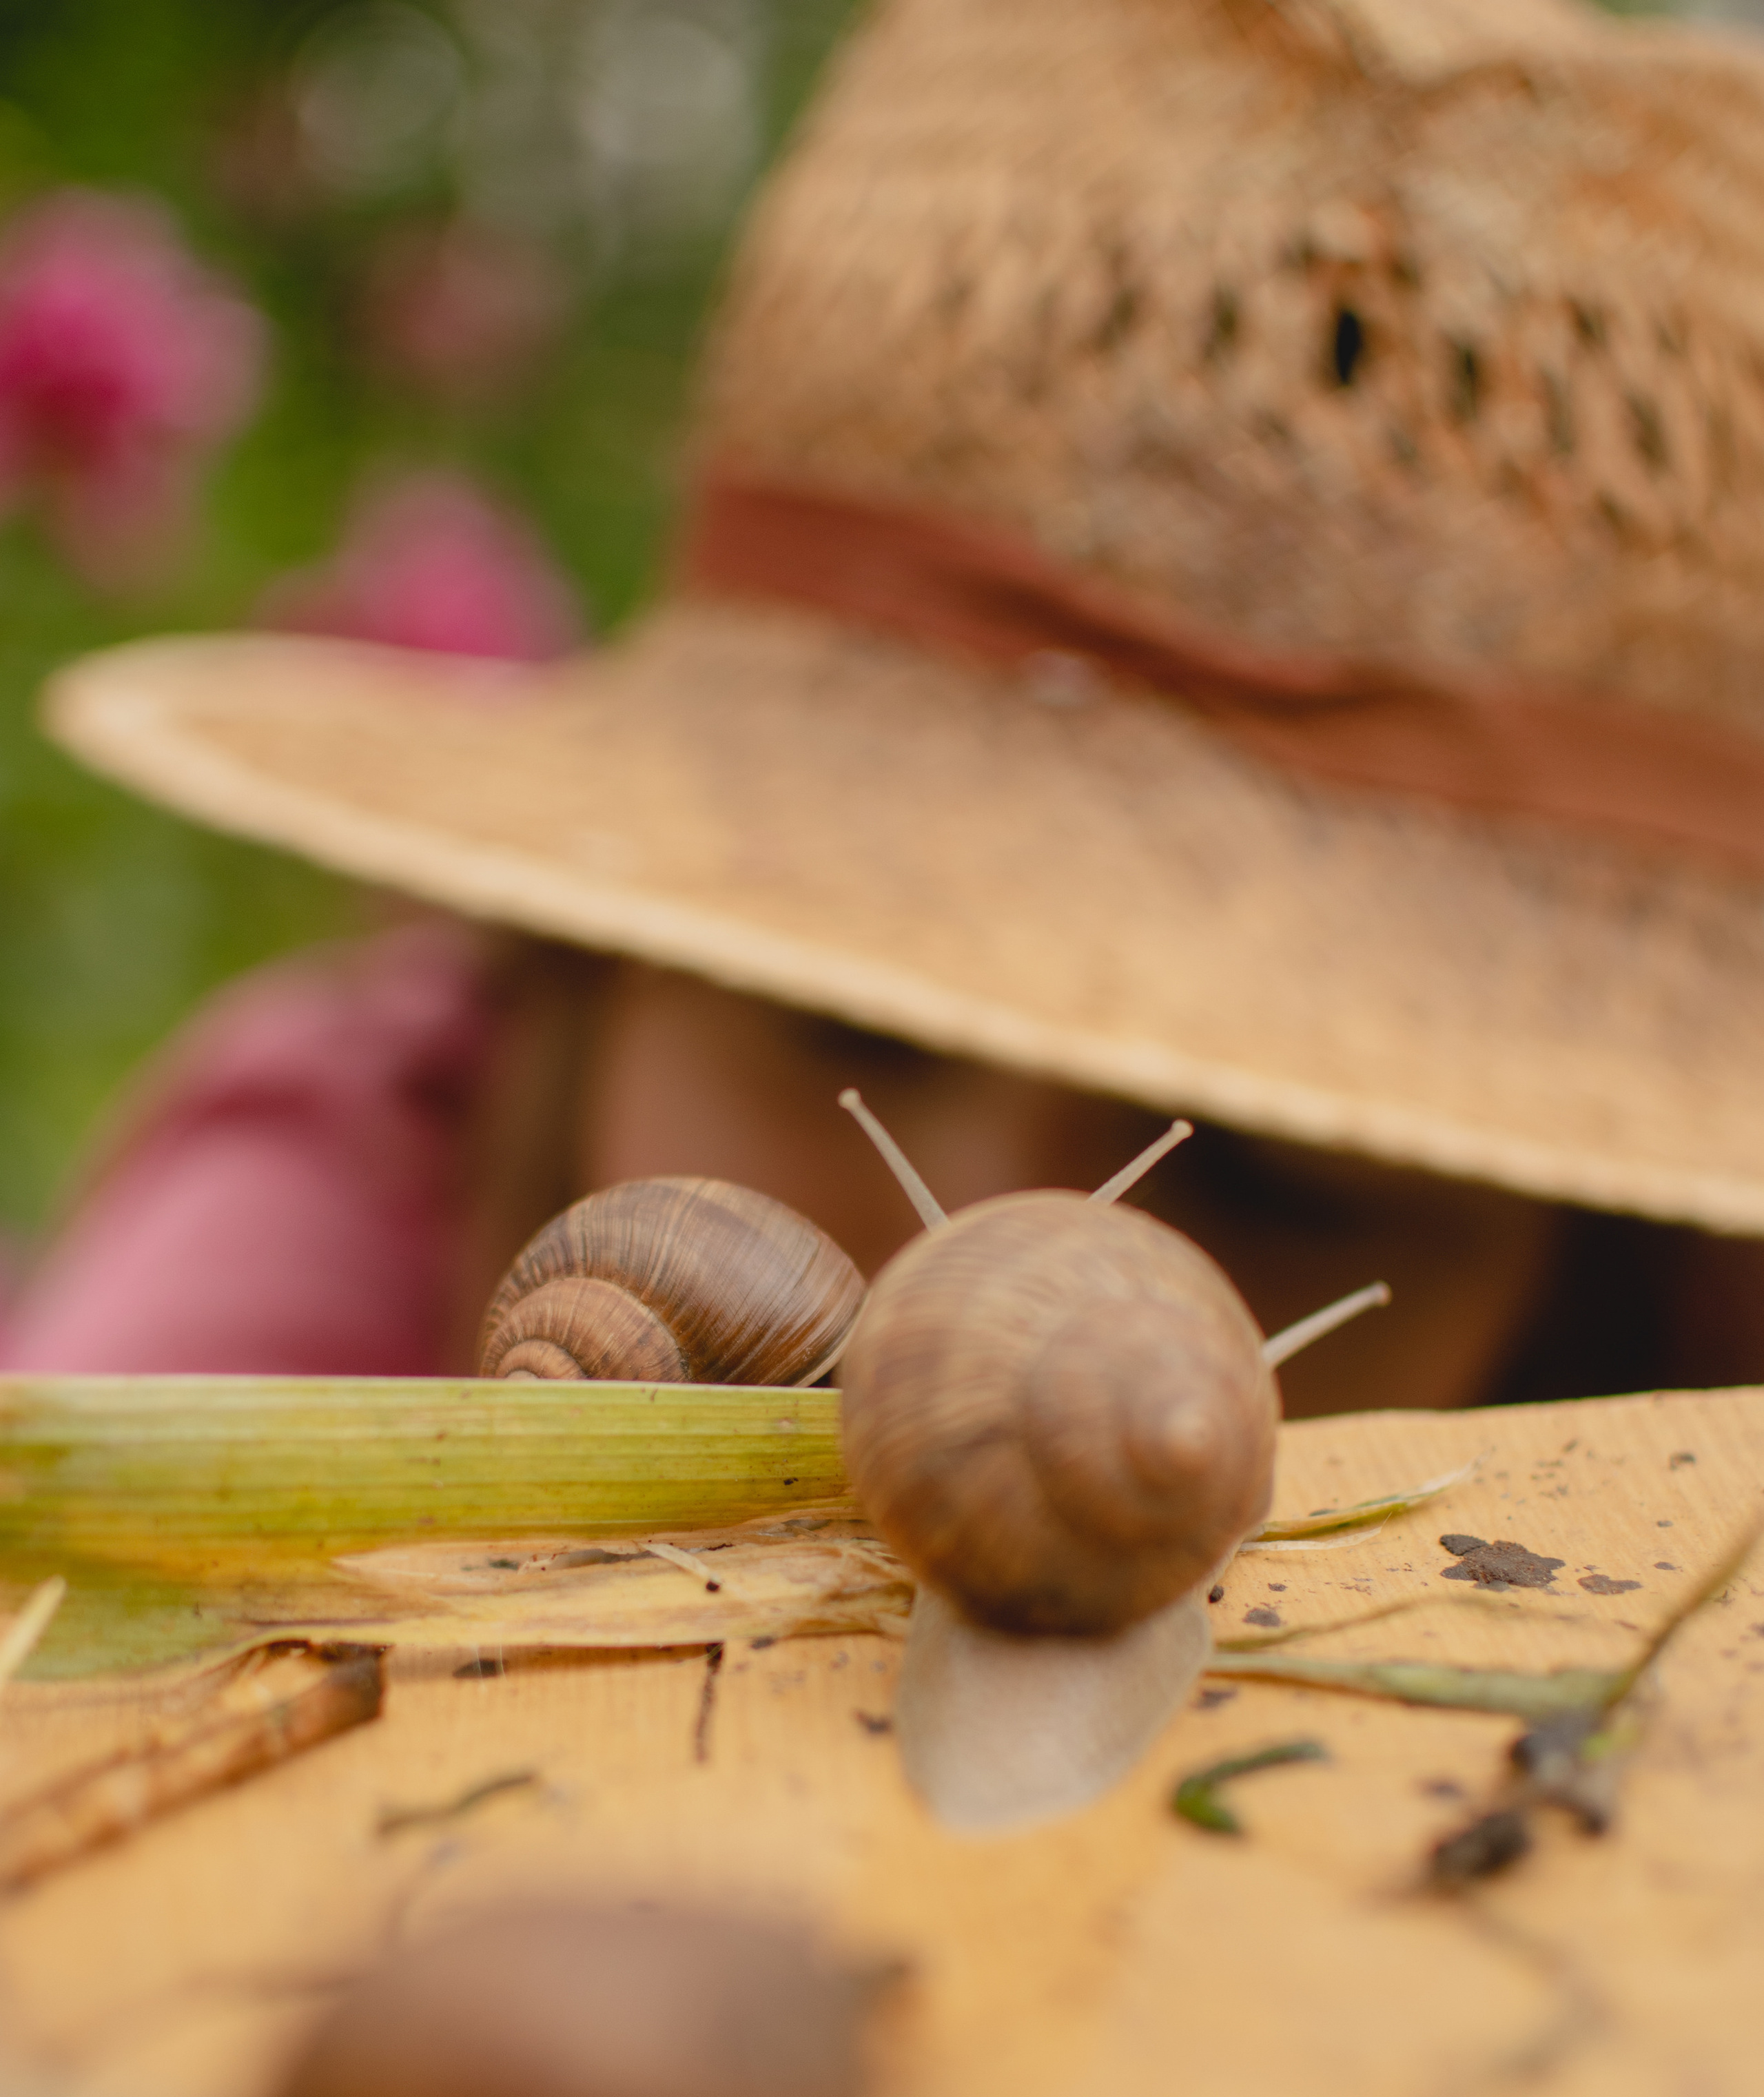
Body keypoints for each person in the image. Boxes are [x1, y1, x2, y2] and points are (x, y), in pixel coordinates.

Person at [10, 0, 1764, 1418]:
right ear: (602, 967)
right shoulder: (320, 1231)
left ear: (1593, 1272)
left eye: (1273, 1182)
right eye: (838, 1031)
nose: (969, 1278)